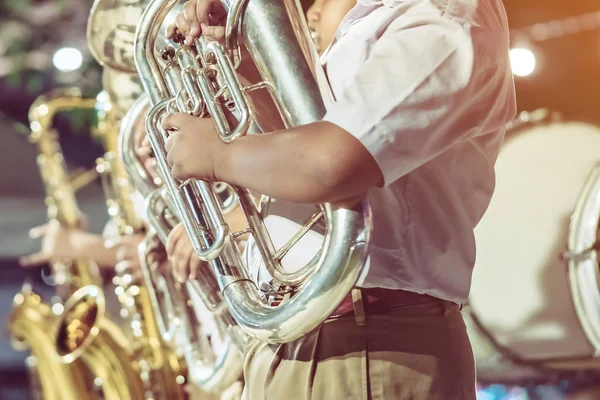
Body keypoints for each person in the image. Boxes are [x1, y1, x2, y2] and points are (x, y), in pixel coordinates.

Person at [163, 0, 517, 398]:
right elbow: (297, 144)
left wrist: (217, 156)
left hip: (369, 343)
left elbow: (332, 164)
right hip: (303, 336)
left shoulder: (447, 13)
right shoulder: (366, 23)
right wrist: (244, 57)